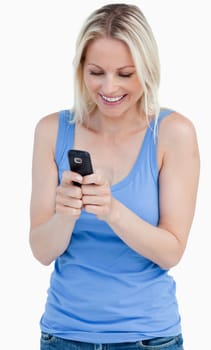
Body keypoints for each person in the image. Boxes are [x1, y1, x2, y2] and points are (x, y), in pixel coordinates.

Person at [29, 3, 200, 350]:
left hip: (149, 338)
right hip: (63, 336)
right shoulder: (51, 131)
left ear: (148, 69)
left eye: (125, 73)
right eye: (96, 72)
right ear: (80, 70)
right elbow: (41, 250)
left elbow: (171, 252)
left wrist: (112, 211)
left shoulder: (173, 133)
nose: (109, 87)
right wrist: (65, 214)